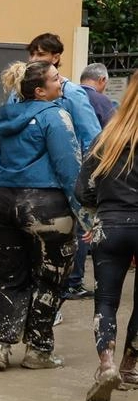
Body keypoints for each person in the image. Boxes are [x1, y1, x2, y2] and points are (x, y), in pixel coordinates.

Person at [0, 33, 101, 324]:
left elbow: (90, 139)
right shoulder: (19, 95)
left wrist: (85, 189)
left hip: (49, 187)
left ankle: (40, 311)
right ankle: (2, 306)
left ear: (55, 57)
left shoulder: (70, 95)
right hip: (13, 184)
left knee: (47, 258)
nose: (34, 59)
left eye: (41, 54)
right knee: (10, 256)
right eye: (32, 54)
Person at [0, 61, 81, 371]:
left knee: (8, 276)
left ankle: (1, 346)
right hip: (44, 206)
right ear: (40, 91)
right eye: (55, 79)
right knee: (51, 278)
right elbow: (69, 169)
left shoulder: (5, 116)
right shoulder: (56, 116)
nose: (61, 81)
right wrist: (84, 214)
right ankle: (38, 350)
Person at [75, 77, 138, 401]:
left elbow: (82, 189)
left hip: (110, 225)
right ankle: (130, 367)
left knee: (107, 299)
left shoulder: (107, 137)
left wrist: (102, 208)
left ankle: (107, 365)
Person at [62, 63, 121, 300]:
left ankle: (65, 279)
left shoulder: (68, 96)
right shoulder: (103, 103)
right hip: (89, 175)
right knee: (85, 227)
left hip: (65, 170)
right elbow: (112, 142)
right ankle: (74, 281)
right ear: (103, 81)